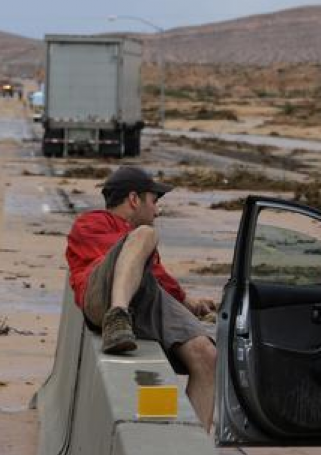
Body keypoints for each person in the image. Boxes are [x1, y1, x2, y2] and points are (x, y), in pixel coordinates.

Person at [65, 166, 218, 431]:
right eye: (154, 201)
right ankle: (118, 315)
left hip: (144, 296)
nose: (157, 211)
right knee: (145, 234)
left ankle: (198, 449)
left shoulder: (138, 240)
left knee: (207, 355)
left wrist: (187, 301)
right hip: (99, 297)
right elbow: (120, 260)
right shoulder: (91, 223)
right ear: (134, 199)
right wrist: (141, 244)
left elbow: (157, 276)